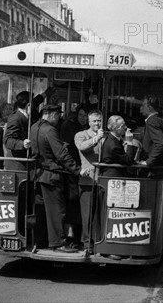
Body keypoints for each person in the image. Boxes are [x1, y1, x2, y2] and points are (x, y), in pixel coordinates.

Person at [30, 104, 81, 253]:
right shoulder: (51, 130)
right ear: (51, 114)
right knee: (57, 211)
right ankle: (59, 243)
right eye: (58, 115)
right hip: (51, 175)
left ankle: (40, 240)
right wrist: (77, 170)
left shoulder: (34, 127)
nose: (59, 118)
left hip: (37, 175)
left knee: (40, 210)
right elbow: (61, 155)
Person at [59, 103, 90, 249]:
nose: (83, 119)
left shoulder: (91, 130)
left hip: (85, 171)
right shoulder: (69, 126)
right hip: (72, 171)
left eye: (86, 116)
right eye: (81, 115)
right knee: (71, 203)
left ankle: (82, 236)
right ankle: (70, 236)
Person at [74, 109, 105, 250]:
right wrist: (96, 138)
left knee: (100, 214)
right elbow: (83, 147)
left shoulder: (106, 136)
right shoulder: (81, 135)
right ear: (88, 121)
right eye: (94, 121)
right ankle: (87, 243)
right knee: (86, 214)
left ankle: (99, 242)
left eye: (99, 121)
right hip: (88, 181)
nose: (97, 124)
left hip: (103, 182)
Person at [3, 89, 52, 171]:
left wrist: (44, 95)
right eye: (32, 103)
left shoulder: (27, 114)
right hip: (18, 164)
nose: (34, 105)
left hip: (26, 161)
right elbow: (8, 140)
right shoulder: (15, 118)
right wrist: (22, 144)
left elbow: (36, 101)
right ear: (28, 105)